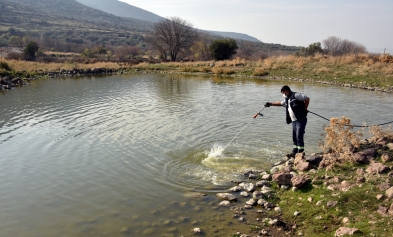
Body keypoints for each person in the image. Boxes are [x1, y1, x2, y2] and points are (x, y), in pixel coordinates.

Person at [265, 85, 310, 157]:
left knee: (299, 135)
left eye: (283, 92)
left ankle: (300, 153)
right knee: (294, 136)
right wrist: (270, 104)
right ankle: (294, 152)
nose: (283, 94)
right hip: (294, 121)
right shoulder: (287, 99)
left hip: (301, 119)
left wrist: (305, 108)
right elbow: (280, 103)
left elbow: (307, 99)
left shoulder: (296, 95)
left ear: (286, 91)